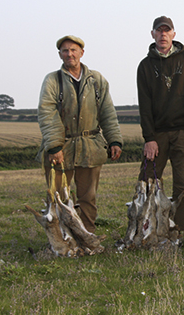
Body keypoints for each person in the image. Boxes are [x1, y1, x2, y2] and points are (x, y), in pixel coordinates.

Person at [37, 35, 123, 233]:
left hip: (90, 146)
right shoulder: (52, 80)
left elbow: (107, 111)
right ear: (60, 55)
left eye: (73, 50)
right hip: (61, 148)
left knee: (87, 198)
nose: (69, 54)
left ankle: (88, 237)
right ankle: (62, 238)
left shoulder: (97, 80)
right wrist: (54, 146)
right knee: (58, 197)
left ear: (82, 53)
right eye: (65, 51)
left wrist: (114, 140)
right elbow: (47, 113)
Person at [137, 16, 184, 234]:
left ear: (174, 34)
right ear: (152, 35)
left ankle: (177, 230)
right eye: (159, 31)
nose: (163, 35)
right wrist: (149, 138)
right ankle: (144, 227)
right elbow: (145, 105)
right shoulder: (145, 66)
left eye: (167, 31)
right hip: (158, 133)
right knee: (147, 182)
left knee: (183, 184)